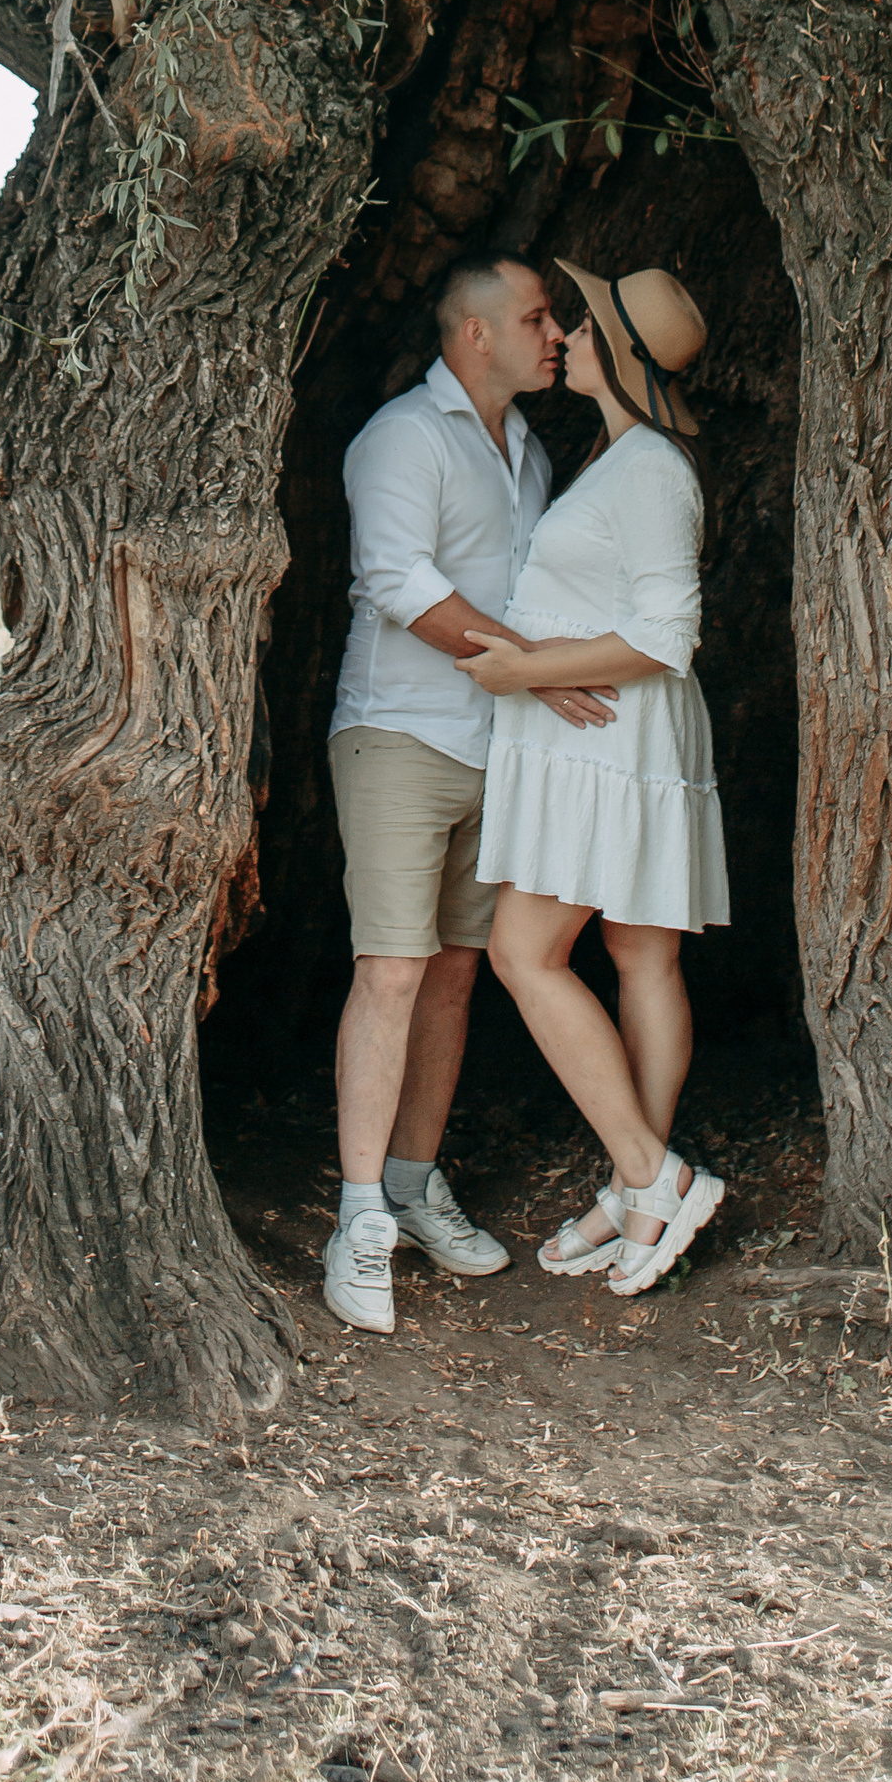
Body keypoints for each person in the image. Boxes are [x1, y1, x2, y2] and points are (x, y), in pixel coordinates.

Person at [322, 252, 614, 1335]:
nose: (555, 335)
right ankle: (356, 1221)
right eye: (537, 318)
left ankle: (410, 1182)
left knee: (452, 977)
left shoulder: (525, 448)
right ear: (474, 333)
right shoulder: (403, 436)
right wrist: (538, 663)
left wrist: (540, 676)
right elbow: (396, 583)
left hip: (500, 747)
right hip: (400, 736)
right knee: (391, 972)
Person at [461, 258, 731, 1297]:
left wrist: (530, 671)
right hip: (608, 738)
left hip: (616, 739)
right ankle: (638, 1196)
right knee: (637, 954)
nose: (562, 335)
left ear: (615, 354)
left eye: (580, 325)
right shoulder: (623, 460)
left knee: (525, 952)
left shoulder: (652, 467)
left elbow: (666, 634)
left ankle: (649, 1173)